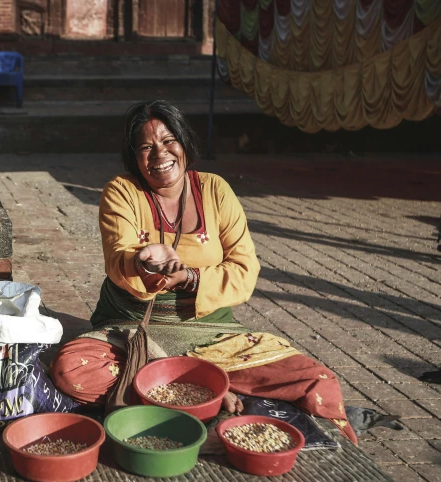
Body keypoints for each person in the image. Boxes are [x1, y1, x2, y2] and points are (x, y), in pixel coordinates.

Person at [49, 100, 358, 444]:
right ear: (134, 157)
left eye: (169, 141)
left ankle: (185, 388)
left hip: (212, 333)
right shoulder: (122, 191)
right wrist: (142, 260)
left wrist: (190, 277)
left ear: (185, 143)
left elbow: (244, 268)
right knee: (72, 373)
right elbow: (119, 256)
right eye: (146, 147)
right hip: (133, 330)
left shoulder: (215, 189)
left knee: (317, 381)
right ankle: (204, 390)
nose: (159, 154)